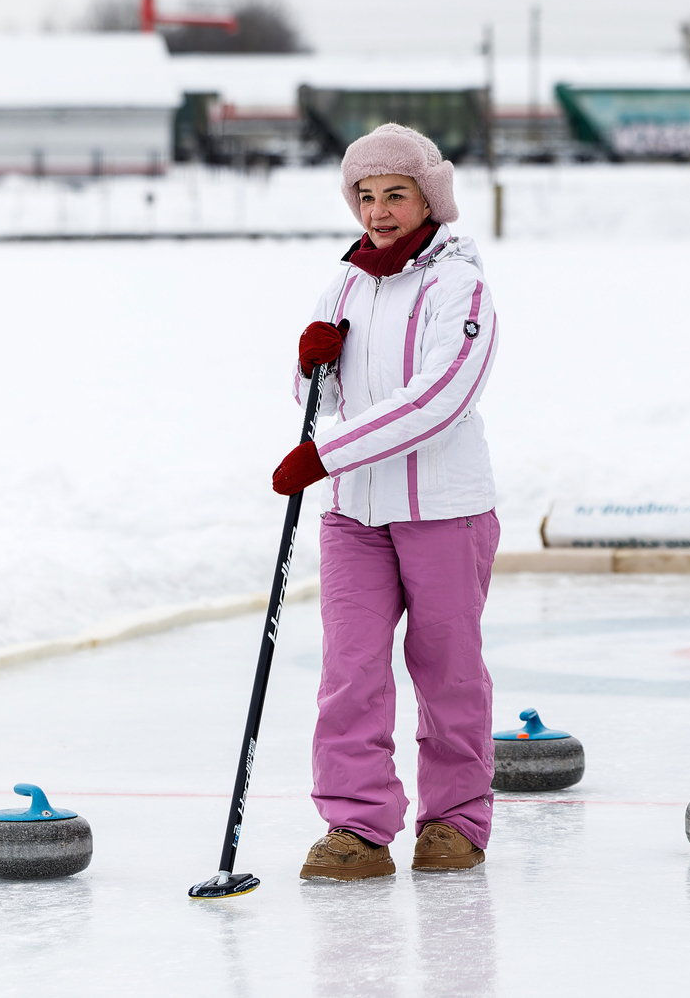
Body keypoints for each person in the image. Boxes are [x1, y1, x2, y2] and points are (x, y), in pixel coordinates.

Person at [271, 122, 501, 881]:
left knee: (448, 670)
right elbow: (323, 400)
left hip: (444, 511)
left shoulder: (458, 285)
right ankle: (357, 828)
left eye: (394, 194)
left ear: (428, 198)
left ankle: (455, 820)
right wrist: (312, 369)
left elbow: (435, 400)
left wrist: (324, 455)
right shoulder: (344, 282)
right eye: (365, 196)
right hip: (355, 516)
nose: (377, 211)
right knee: (350, 671)